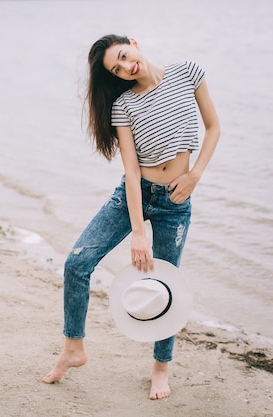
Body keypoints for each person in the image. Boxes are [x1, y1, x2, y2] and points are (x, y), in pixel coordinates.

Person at [42, 34, 220, 400]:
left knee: (167, 287)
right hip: (132, 198)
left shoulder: (188, 72)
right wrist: (138, 232)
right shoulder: (123, 106)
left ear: (134, 44)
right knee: (77, 263)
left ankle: (160, 369)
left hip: (176, 200)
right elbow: (133, 171)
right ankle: (73, 348)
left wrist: (195, 174)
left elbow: (214, 128)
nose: (125, 67)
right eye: (116, 68)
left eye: (123, 56)